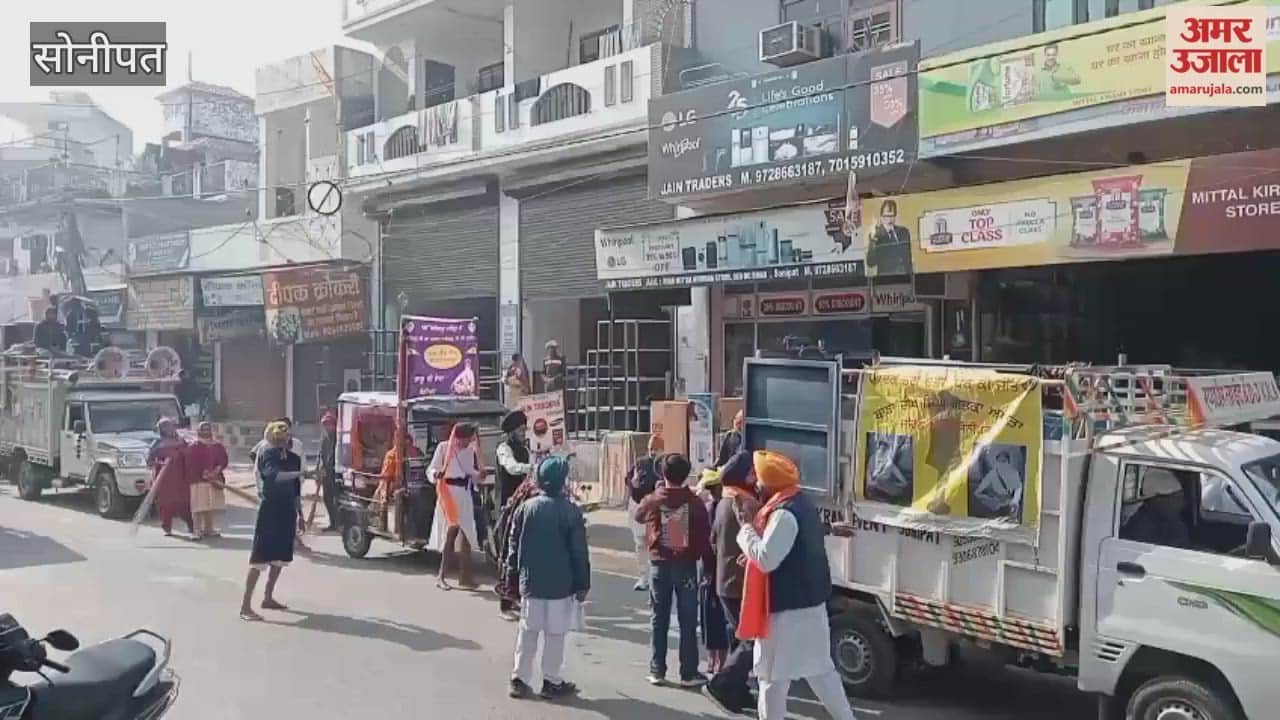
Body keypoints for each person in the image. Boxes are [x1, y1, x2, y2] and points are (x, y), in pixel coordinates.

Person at [736, 450, 856, 720]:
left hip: (785, 613)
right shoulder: (800, 502)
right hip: (809, 609)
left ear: (770, 484)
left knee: (771, 679)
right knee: (820, 673)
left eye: (758, 480)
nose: (755, 485)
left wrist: (745, 530)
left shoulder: (783, 515)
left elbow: (766, 560)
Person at [505, 456, 590, 701]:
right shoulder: (571, 511)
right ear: (562, 481)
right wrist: (583, 583)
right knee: (555, 634)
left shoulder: (525, 508)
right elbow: (579, 552)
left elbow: (513, 547)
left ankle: (519, 679)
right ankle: (551, 681)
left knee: (528, 631)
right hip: (560, 586)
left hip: (530, 583)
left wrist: (511, 579)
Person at [633, 453, 714, 687]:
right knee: (688, 619)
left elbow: (639, 515)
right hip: (687, 564)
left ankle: (657, 669)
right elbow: (705, 530)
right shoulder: (694, 502)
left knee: (659, 617)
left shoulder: (655, 499)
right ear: (686, 474)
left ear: (663, 475)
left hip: (659, 563)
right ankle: (688, 671)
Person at [702, 450, 757, 714]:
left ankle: (738, 690)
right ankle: (721, 684)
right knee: (751, 640)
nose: (756, 476)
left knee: (739, 638)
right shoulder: (745, 503)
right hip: (740, 584)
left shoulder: (724, 501)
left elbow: (713, 541)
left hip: (726, 583)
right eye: (752, 472)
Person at [240, 421, 305, 621]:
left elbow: (295, 490)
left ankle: (268, 597)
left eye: (285, 437)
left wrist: (300, 515)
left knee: (280, 557)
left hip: (287, 510)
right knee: (260, 557)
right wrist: (303, 473)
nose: (283, 441)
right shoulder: (267, 454)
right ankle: (245, 606)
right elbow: (273, 476)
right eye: (279, 437)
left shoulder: (293, 458)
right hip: (270, 509)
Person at [428, 422, 482, 590]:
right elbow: (432, 469)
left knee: (466, 535)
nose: (468, 442)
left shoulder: (470, 450)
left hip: (464, 494)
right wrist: (436, 474)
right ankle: (441, 577)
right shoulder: (443, 448)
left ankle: (465, 577)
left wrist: (479, 475)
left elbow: (469, 472)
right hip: (448, 494)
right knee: (450, 534)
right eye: (466, 438)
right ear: (458, 437)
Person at [494, 467, 542, 622]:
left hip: (520, 532)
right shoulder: (532, 491)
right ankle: (505, 606)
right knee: (510, 566)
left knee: (518, 568)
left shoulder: (532, 487)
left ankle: (514, 601)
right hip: (514, 532)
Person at [695, 467, 729, 676]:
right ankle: (718, 659)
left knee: (710, 615)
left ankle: (714, 658)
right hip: (717, 569)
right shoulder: (723, 508)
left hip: (710, 569)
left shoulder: (709, 508)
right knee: (716, 616)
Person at [626, 435, 664, 591]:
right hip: (638, 505)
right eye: (650, 449)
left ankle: (655, 577)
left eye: (656, 449)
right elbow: (628, 479)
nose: (652, 452)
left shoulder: (664, 464)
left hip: (656, 509)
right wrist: (632, 482)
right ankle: (643, 577)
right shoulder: (641, 463)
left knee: (655, 545)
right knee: (640, 543)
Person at [1122, 468, 1191, 549]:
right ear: (1156, 500)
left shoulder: (1175, 524)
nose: (1181, 503)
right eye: (1175, 498)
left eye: (1180, 497)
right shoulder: (1140, 527)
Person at [148, 418, 192, 537]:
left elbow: (189, 455)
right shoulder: (157, 443)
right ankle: (167, 527)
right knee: (166, 503)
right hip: (165, 478)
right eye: (166, 427)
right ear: (161, 430)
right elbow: (150, 461)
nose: (169, 429)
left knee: (184, 502)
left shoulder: (181, 441)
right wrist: (160, 463)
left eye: (171, 426)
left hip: (181, 476)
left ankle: (191, 526)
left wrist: (181, 454)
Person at [187, 422, 228, 540]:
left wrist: (216, 471)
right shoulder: (193, 446)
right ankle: (197, 530)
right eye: (203, 429)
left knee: (210, 506)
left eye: (208, 429)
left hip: (214, 480)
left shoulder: (217, 446)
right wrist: (203, 473)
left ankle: (209, 529)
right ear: (199, 431)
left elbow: (223, 460)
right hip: (198, 480)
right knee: (198, 507)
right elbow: (191, 463)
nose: (206, 432)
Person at [496, 410, 532, 509]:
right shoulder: (503, 448)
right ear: (512, 432)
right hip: (508, 501)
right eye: (520, 430)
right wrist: (532, 468)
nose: (523, 433)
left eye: (525, 430)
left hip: (524, 500)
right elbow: (512, 468)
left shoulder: (525, 450)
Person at [866, 199, 913, 277]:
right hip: (886, 281)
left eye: (892, 216)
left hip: (905, 278)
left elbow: (908, 260)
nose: (889, 219)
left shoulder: (904, 232)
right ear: (881, 217)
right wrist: (873, 242)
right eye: (886, 216)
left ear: (895, 216)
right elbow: (870, 263)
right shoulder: (875, 235)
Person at [973, 448, 1024, 519]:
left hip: (1009, 506)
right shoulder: (992, 474)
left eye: (1004, 461)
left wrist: (1015, 501)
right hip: (995, 508)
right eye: (999, 461)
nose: (1002, 464)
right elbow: (978, 492)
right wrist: (991, 501)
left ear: (1008, 462)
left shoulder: (1013, 474)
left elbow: (1018, 488)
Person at [317, 410, 339, 531]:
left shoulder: (338, 438)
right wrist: (319, 469)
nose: (326, 427)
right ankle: (333, 522)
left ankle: (338, 523)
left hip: (335, 473)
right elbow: (320, 455)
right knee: (327, 498)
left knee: (336, 498)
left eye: (329, 424)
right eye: (325, 424)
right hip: (326, 473)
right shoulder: (324, 438)